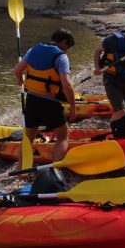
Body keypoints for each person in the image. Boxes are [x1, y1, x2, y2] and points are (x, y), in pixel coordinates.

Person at [13, 29, 77, 163]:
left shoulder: (33, 50)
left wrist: (21, 81)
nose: (67, 50)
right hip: (49, 103)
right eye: (68, 46)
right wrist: (73, 106)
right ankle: (54, 171)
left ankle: (21, 172)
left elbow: (17, 71)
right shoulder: (61, 57)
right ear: (65, 42)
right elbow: (67, 85)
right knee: (63, 137)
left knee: (28, 139)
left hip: (31, 100)